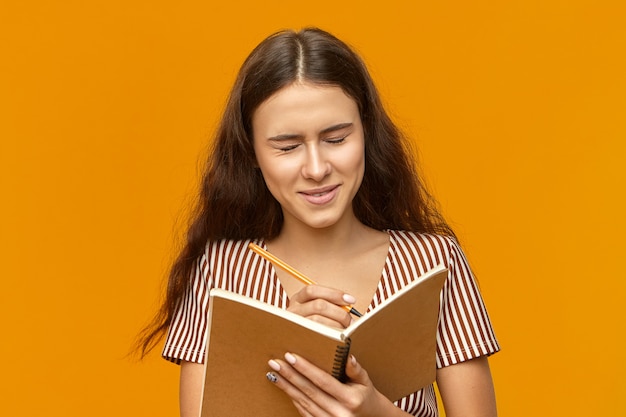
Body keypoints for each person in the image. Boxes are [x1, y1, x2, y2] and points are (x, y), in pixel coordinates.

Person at [137, 27, 500, 417]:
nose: (316, 168)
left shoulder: (431, 262)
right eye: (288, 147)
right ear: (253, 153)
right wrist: (271, 351)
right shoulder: (220, 271)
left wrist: (376, 411)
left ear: (366, 132)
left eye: (337, 139)